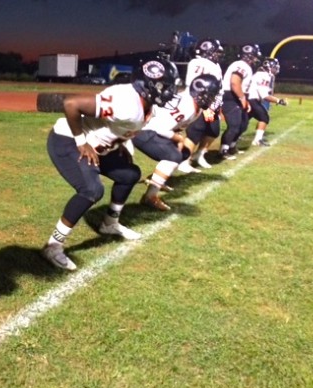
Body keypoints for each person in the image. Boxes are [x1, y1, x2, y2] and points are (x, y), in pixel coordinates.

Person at [41, 58, 180, 271]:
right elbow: (71, 104)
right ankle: (53, 245)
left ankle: (109, 224)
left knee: (129, 174)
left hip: (100, 146)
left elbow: (121, 126)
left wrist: (121, 143)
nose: (169, 91)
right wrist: (81, 142)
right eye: (164, 86)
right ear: (147, 84)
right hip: (68, 140)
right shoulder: (126, 101)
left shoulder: (147, 105)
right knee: (91, 190)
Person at [136, 74, 222, 211]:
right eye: (211, 95)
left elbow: (173, 126)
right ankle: (150, 197)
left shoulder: (195, 105)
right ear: (201, 93)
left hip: (152, 128)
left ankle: (156, 179)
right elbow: (160, 127)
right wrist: (178, 139)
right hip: (142, 130)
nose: (212, 99)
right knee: (174, 156)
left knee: (184, 152)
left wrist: (177, 138)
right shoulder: (187, 106)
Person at [181, 38, 225, 171]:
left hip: (212, 103)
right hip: (200, 102)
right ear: (208, 50)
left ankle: (199, 155)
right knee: (195, 131)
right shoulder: (198, 62)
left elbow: (218, 88)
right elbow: (196, 85)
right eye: (215, 51)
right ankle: (183, 160)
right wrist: (206, 106)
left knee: (213, 130)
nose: (218, 54)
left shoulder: (213, 64)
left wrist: (217, 106)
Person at [218, 44, 262, 160]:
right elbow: (234, 82)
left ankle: (232, 146)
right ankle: (224, 149)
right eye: (255, 56)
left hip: (237, 96)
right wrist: (242, 98)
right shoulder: (241, 65)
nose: (256, 59)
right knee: (234, 125)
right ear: (250, 56)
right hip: (231, 97)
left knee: (243, 124)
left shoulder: (245, 66)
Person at [247, 57, 287, 147]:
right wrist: (279, 101)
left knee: (243, 122)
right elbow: (264, 95)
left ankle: (231, 142)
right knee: (264, 117)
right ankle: (257, 140)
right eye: (274, 67)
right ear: (269, 66)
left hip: (250, 99)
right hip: (252, 100)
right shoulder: (264, 76)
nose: (276, 69)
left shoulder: (261, 74)